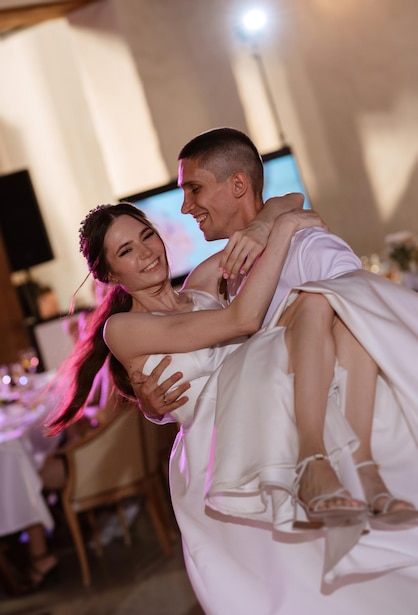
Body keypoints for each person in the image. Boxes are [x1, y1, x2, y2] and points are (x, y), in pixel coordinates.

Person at [47, 201, 418, 615]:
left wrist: (265, 226)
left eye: (147, 235)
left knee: (336, 299)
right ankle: (345, 464)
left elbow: (289, 202)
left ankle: (358, 464)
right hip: (219, 444)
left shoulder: (203, 284)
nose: (146, 252)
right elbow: (243, 320)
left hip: (267, 409)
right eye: (126, 251)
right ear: (109, 274)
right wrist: (283, 231)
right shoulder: (122, 329)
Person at [134, 127, 415, 524]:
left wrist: (276, 225)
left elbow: (359, 312)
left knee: (319, 300)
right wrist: (153, 407)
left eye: (193, 189)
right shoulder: (219, 274)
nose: (185, 207)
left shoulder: (308, 245)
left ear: (237, 184)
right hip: (247, 437)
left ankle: (345, 468)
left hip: (321, 427)